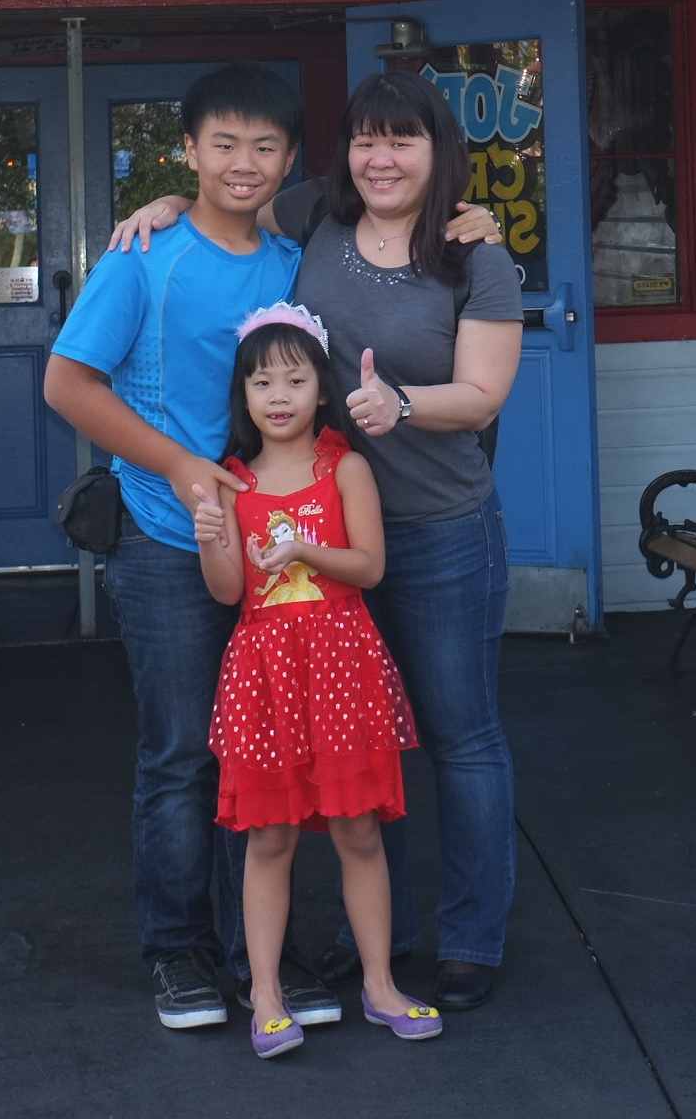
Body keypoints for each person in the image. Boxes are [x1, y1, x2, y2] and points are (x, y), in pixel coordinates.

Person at [111, 68, 524, 1011]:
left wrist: (401, 404)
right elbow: (231, 199)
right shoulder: (316, 215)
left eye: (404, 140)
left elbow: (483, 395)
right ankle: (384, 939)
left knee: (460, 737)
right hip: (321, 533)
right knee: (365, 743)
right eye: (367, 139)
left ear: (438, 153)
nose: (382, 158)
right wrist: (168, 205)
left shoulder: (474, 254)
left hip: (440, 528)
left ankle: (470, 940)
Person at [42, 63, 332, 1036]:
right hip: (168, 540)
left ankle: (262, 952)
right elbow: (68, 383)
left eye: (265, 146)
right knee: (181, 755)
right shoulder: (143, 257)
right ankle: (179, 948)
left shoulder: (293, 263)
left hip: (277, 548)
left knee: (269, 753)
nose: (244, 163)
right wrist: (179, 467)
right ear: (189, 151)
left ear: (289, 160)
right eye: (224, 143)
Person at [189, 304, 441, 1055]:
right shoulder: (232, 485)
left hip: (341, 666)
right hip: (265, 676)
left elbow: (369, 567)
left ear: (322, 390)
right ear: (242, 394)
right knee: (269, 838)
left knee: (358, 830)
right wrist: (209, 539)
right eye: (262, 381)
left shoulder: (346, 468)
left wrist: (303, 549)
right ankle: (266, 994)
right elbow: (228, 592)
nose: (278, 396)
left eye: (295, 380)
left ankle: (380, 985)